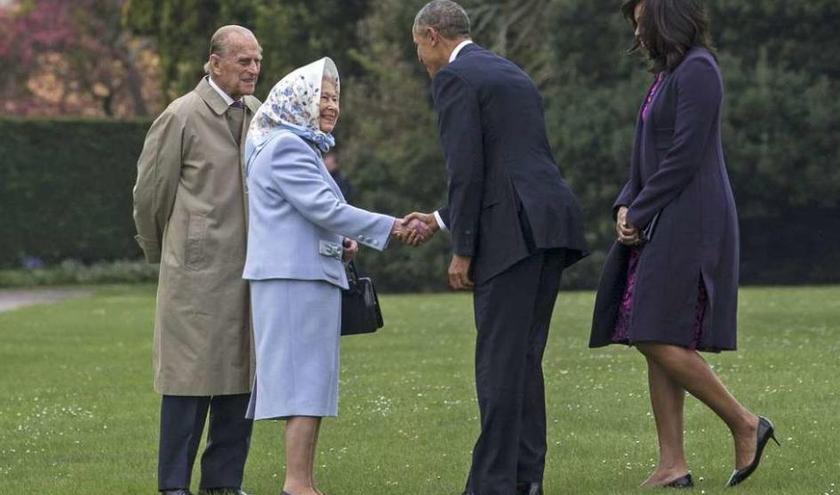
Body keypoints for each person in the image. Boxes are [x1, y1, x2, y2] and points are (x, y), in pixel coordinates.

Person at [589, 0, 778, 488]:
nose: (637, 33)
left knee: (652, 331)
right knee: (657, 333)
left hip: (691, 219)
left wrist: (643, 208)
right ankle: (672, 464)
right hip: (662, 215)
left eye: (641, 22)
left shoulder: (699, 70)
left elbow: (684, 154)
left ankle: (745, 422)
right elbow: (647, 156)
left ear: (665, 18)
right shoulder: (667, 76)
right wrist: (626, 205)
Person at [403, 2, 589, 494]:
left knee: (500, 362)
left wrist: (462, 248)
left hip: (511, 235)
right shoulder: (509, 72)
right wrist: (442, 218)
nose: (420, 58)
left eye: (418, 46)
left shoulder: (455, 79)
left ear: (431, 35)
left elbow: (466, 170)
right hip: (550, 226)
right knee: (524, 360)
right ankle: (526, 479)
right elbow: (505, 163)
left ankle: (492, 485)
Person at [242, 57, 424, 495]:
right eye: (321, 96)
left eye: (334, 97)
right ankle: (297, 485)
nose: (330, 105)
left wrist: (338, 240)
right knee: (304, 382)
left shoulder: (296, 145)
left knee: (311, 381)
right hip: (294, 280)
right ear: (297, 99)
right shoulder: (287, 146)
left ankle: (302, 483)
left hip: (302, 275)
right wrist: (392, 226)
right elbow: (326, 208)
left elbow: (305, 215)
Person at [132, 25, 262, 495]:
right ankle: (173, 486)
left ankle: (224, 484)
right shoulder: (180, 115)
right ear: (214, 62)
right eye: (243, 61)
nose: (253, 69)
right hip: (194, 272)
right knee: (188, 384)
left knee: (240, 380)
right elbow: (150, 195)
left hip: (250, 272)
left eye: (256, 61)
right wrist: (162, 252)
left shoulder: (259, 114)